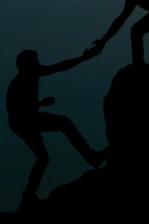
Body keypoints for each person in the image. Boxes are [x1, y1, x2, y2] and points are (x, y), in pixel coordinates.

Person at [7, 46, 108, 213]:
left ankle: (28, 196)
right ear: (28, 64)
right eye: (35, 61)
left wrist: (82, 59)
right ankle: (91, 157)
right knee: (63, 124)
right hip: (23, 121)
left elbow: (59, 67)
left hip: (23, 121)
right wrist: (36, 106)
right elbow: (13, 108)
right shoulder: (21, 81)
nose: (39, 64)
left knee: (43, 157)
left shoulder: (30, 76)